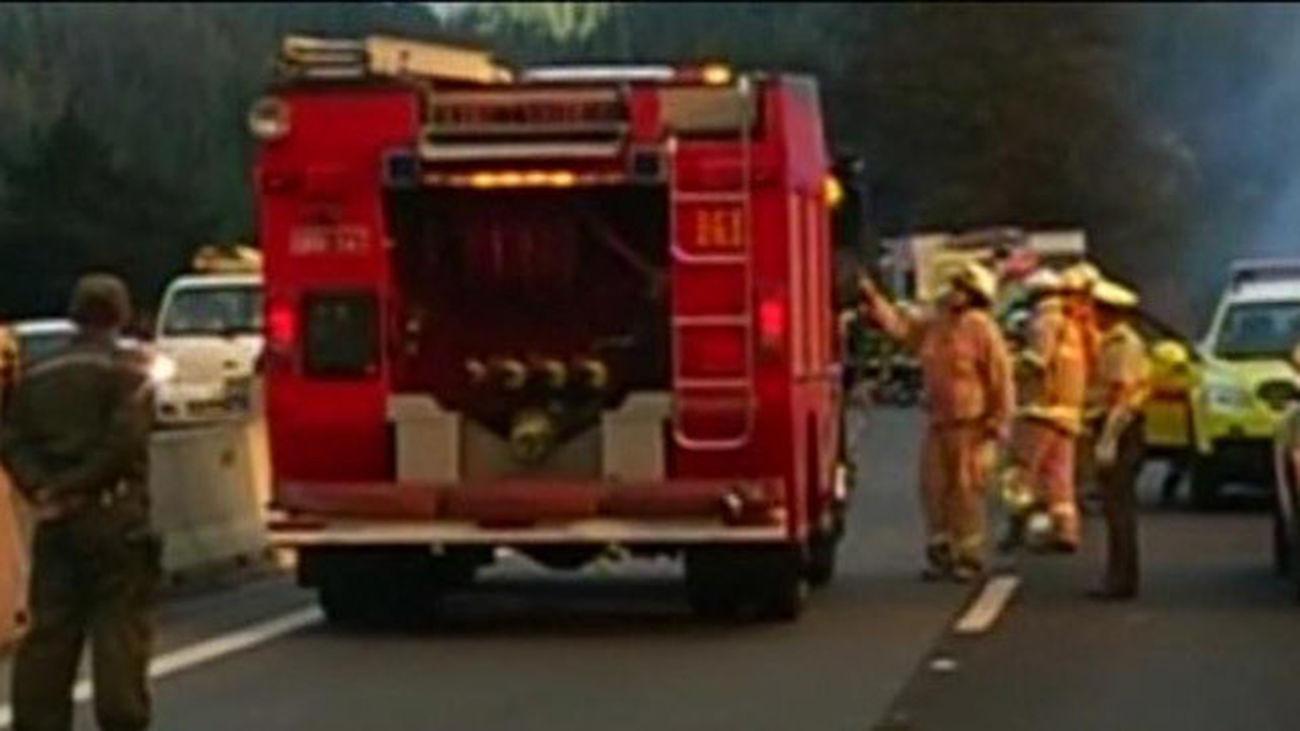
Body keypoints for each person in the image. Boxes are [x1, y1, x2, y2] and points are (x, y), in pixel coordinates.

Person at [1, 274, 161, 731]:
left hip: (56, 520)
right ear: (122, 314)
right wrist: (78, 485)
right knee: (119, 631)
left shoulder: (38, 375)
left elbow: (10, 439)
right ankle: (121, 720)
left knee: (50, 633)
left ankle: (36, 722)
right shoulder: (130, 369)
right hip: (114, 518)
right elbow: (124, 443)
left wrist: (44, 490)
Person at [859, 262, 1015, 582]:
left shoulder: (982, 328)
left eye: (959, 288)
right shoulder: (935, 325)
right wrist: (873, 298)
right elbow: (900, 327)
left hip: (971, 424)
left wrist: (999, 421)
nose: (951, 294)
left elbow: (1001, 379)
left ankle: (968, 554)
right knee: (933, 486)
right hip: (939, 422)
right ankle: (940, 548)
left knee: (966, 488)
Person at [1000, 268, 1087, 553]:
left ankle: (1018, 527)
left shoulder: (1043, 323)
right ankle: (1065, 530)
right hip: (1068, 413)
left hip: (1040, 410)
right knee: (1059, 477)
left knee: (1019, 474)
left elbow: (1037, 361)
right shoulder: (1072, 327)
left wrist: (1007, 364)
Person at [1088, 278, 1150, 601]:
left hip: (1121, 426)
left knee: (1119, 508)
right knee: (1114, 508)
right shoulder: (1111, 341)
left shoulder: (1123, 345)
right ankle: (1118, 576)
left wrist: (1108, 440)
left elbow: (1121, 396)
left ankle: (1122, 579)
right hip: (1115, 423)